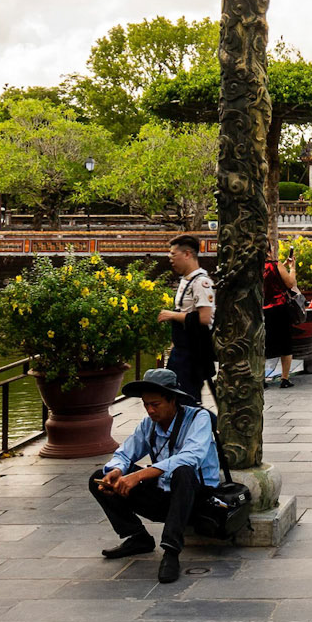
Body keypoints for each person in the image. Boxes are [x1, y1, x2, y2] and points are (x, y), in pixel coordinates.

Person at [89, 365, 221, 584]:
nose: (150, 411)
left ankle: (171, 551)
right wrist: (117, 471)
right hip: (163, 494)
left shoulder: (199, 418)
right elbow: (125, 453)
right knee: (99, 478)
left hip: (195, 499)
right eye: (146, 405)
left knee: (183, 472)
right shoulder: (148, 424)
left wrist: (139, 476)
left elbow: (190, 457)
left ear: (173, 400)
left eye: (155, 404)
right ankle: (138, 537)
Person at [158, 234, 216, 404]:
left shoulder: (201, 283)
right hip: (181, 349)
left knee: (186, 399)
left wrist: (172, 315)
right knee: (174, 396)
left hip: (192, 354)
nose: (170, 259)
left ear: (187, 254)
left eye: (173, 254)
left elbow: (205, 318)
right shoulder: (186, 280)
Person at [263, 242, 301, 386]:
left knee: (263, 343)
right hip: (279, 308)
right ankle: (285, 378)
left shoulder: (255, 267)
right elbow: (290, 283)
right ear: (269, 250)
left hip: (262, 309)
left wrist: (283, 266)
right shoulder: (275, 265)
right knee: (285, 343)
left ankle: (261, 379)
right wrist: (292, 268)